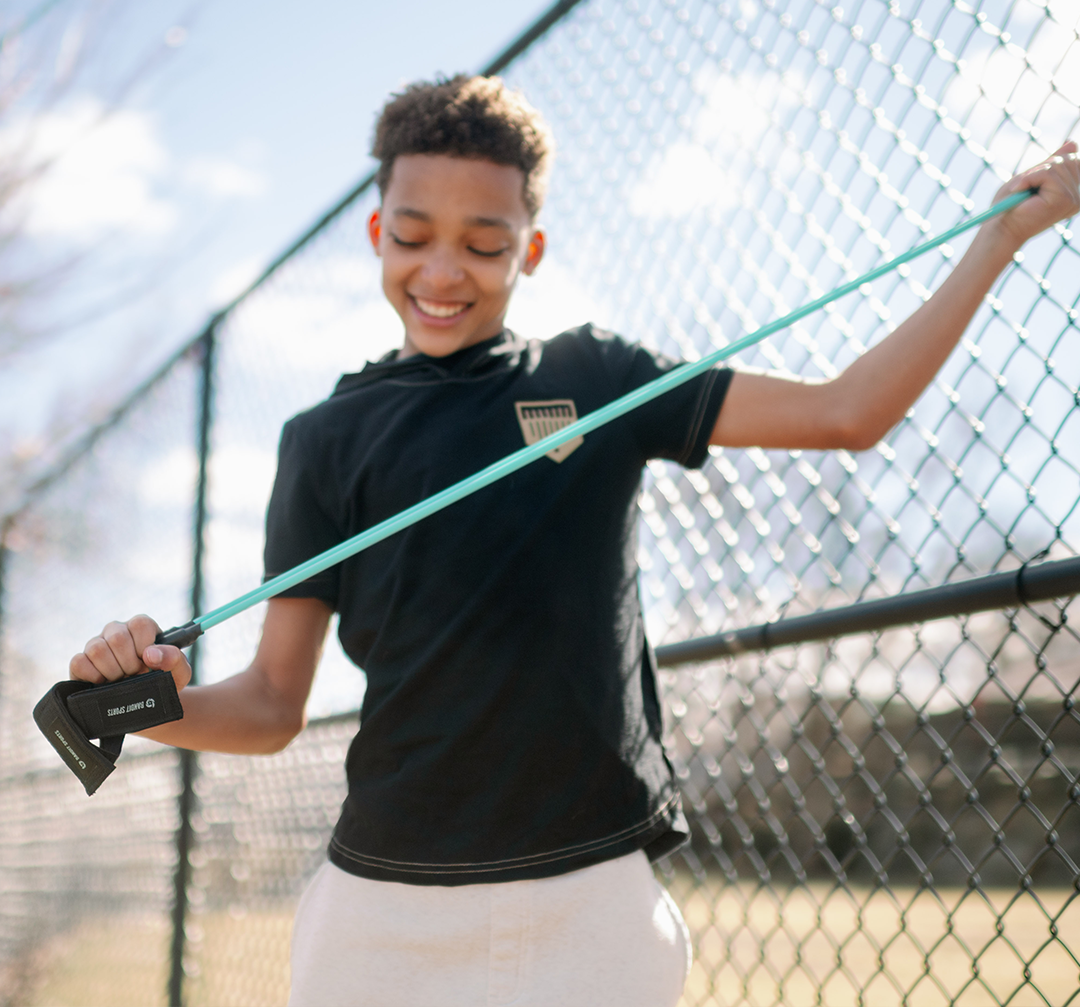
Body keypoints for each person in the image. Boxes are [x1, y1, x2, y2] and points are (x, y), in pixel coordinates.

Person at [70, 75, 1079, 1007]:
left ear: (531, 251)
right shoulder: (325, 439)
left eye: (484, 242)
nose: (442, 269)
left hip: (590, 902)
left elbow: (848, 413)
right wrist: (139, 706)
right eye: (414, 235)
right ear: (377, 232)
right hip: (381, 911)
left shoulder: (595, 382)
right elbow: (270, 705)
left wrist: (997, 240)